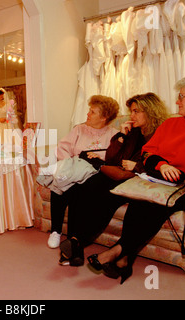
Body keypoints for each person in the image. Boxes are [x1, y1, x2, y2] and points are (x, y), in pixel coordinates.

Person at [89, 75, 185, 284]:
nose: (177, 101)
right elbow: (147, 152)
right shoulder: (170, 124)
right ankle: (124, 259)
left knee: (155, 206)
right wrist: (163, 165)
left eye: (182, 96)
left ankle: (117, 251)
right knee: (139, 202)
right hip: (159, 177)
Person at [58, 93, 169, 267]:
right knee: (83, 186)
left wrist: (137, 166)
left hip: (138, 179)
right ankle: (74, 243)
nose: (131, 116)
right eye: (131, 111)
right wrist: (121, 137)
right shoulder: (133, 132)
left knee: (107, 199)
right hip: (120, 174)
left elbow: (163, 160)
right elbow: (112, 158)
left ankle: (76, 242)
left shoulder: (163, 131)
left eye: (135, 111)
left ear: (150, 111)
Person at [47, 95, 119, 249]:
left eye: (92, 112)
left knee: (79, 188)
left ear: (104, 117)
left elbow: (113, 160)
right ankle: (56, 231)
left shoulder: (114, 134)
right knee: (60, 182)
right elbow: (62, 147)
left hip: (94, 175)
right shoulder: (79, 129)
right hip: (73, 167)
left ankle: (72, 238)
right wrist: (70, 166)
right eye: (89, 110)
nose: (88, 114)